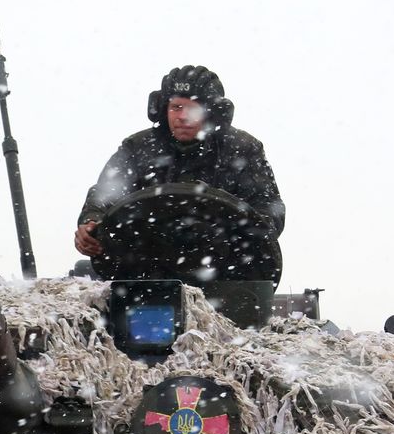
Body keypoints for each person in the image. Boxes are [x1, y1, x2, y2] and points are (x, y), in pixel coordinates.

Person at [73, 65, 284, 281]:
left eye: (192, 109)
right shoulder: (138, 149)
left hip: (225, 275)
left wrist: (242, 231)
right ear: (163, 108)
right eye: (176, 107)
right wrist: (91, 224)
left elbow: (267, 207)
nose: (182, 116)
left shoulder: (242, 150)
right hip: (145, 274)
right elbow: (104, 197)